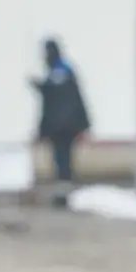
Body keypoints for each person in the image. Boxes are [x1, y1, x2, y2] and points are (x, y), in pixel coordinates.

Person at [29, 37, 92, 202]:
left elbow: (54, 99)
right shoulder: (64, 71)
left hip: (62, 126)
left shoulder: (60, 72)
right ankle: (65, 191)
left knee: (62, 159)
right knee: (62, 159)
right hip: (66, 125)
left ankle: (65, 194)